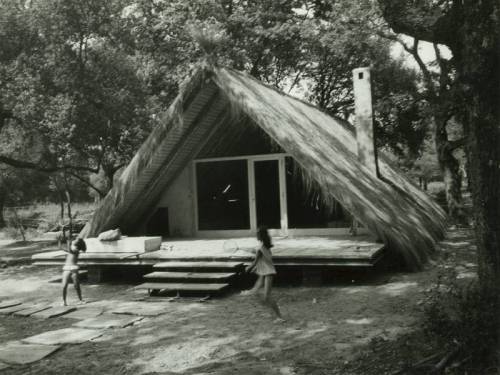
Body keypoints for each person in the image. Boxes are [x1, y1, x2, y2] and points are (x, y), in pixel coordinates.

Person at [242, 227, 284, 322]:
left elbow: (255, 262)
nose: (256, 235)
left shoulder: (261, 248)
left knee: (266, 297)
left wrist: (248, 268)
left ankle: (279, 317)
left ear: (261, 236)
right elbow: (263, 258)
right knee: (261, 296)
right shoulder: (265, 246)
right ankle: (275, 314)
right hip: (266, 273)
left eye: (257, 234)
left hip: (268, 273)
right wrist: (254, 253)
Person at [61, 237, 86, 306]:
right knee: (64, 285)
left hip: (73, 268)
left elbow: (69, 249)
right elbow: (62, 247)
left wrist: (67, 240)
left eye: (76, 240)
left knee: (76, 285)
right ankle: (64, 301)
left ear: (78, 244)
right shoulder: (72, 247)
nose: (74, 240)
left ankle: (81, 300)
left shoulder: (76, 249)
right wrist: (60, 241)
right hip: (67, 268)